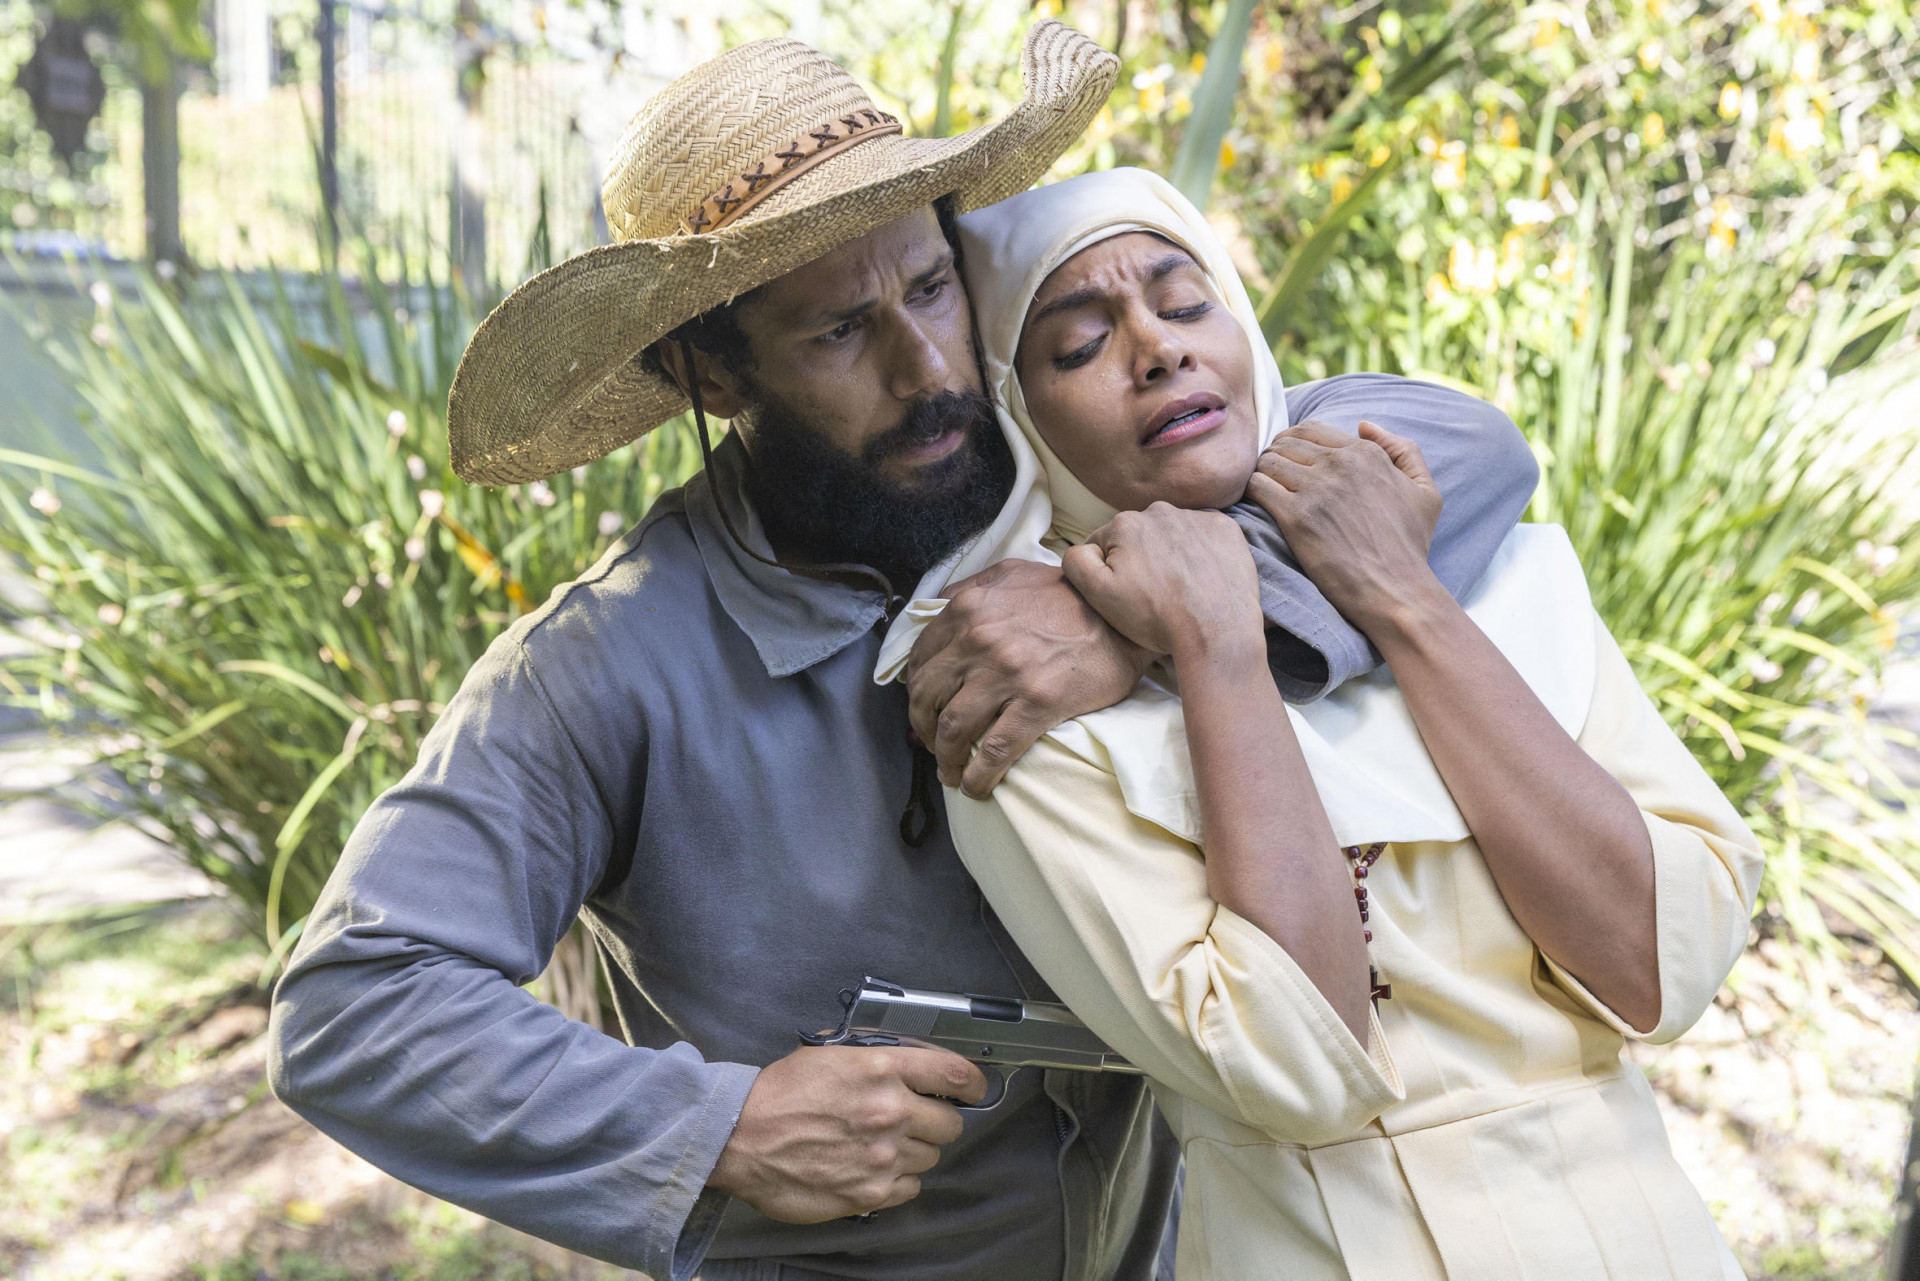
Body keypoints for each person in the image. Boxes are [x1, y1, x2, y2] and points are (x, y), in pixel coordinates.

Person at [268, 25, 1538, 1281]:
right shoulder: (601, 667)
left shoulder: (1066, 468)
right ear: (711, 370)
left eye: (932, 288)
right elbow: (355, 1005)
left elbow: (1455, 443)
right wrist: (716, 1131)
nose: (930, 370)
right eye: (838, 333)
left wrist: (1136, 622)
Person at [896, 166, 1763, 1279]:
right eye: (1076, 347)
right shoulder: (1017, 705)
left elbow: (1662, 965)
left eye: (1185, 301)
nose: (1158, 349)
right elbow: (1300, 1070)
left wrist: (1399, 597)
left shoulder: (1490, 572)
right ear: (1016, 418)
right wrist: (1212, 648)